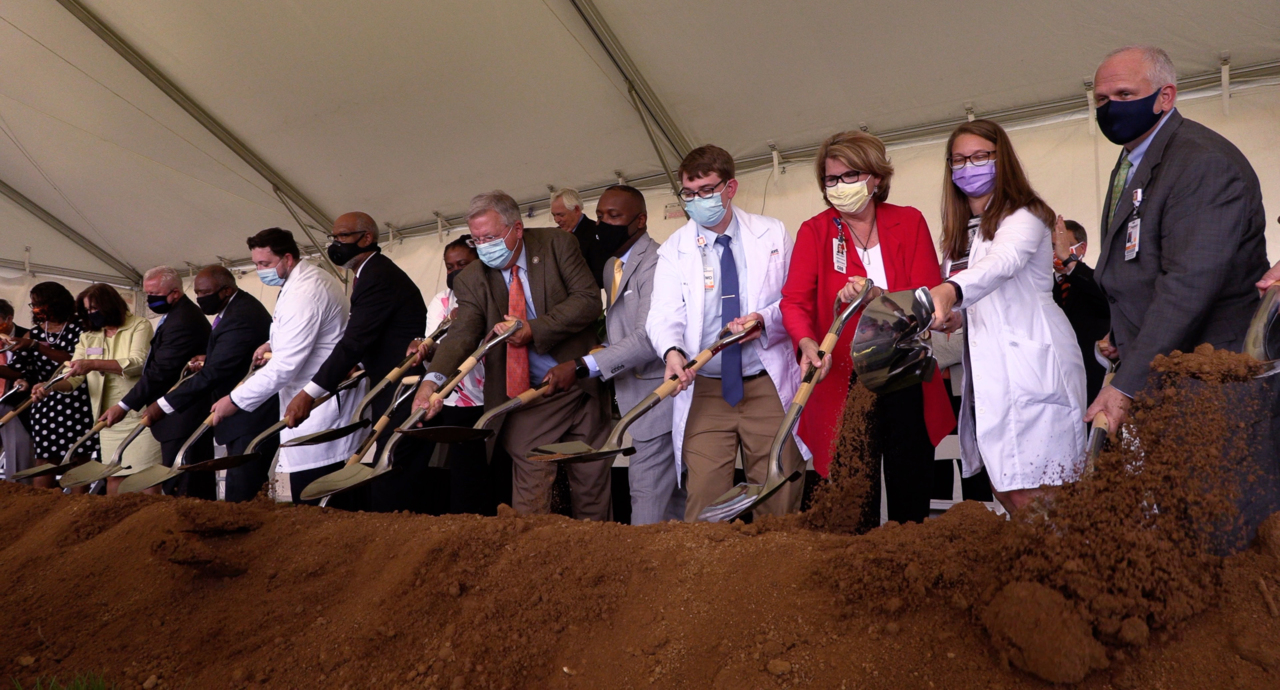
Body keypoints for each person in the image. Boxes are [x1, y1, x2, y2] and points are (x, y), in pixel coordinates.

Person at [1086, 45, 1268, 428]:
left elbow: (1188, 285)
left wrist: (1126, 384)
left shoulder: (1203, 162)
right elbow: (1134, 263)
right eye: (1102, 98)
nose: (1110, 108)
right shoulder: (1134, 157)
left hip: (1211, 378)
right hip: (1162, 373)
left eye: (1124, 95)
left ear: (1164, 97)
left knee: (1214, 488)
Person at [780, 130, 955, 524]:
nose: (839, 186)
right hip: (841, 376)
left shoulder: (908, 222)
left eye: (850, 175)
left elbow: (926, 299)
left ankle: (906, 569)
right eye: (830, 179)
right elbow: (794, 301)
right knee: (849, 500)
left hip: (904, 372)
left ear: (876, 177)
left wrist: (876, 294)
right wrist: (806, 343)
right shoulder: (816, 230)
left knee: (910, 492)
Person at [412, 191, 612, 520]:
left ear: (516, 229)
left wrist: (534, 328)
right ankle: (531, 561)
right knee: (531, 496)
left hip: (577, 383)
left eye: (490, 237)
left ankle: (594, 562)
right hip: (525, 397)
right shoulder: (472, 279)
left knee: (590, 486)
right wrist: (432, 381)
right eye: (477, 240)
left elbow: (588, 301)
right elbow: (462, 333)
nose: (483, 246)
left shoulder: (556, 245)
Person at [927, 119, 1087, 513]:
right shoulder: (962, 230)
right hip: (990, 370)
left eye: (981, 156)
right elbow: (991, 294)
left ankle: (1067, 569)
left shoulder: (1027, 213)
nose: (969, 166)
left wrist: (951, 291)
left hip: (1032, 357)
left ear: (1003, 160)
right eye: (960, 160)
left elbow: (1004, 263)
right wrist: (959, 316)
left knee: (1043, 487)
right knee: (1007, 484)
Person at [648, 144, 808, 521]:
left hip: (765, 381)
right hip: (705, 387)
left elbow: (794, 299)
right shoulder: (674, 250)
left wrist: (764, 319)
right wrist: (672, 353)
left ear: (730, 188)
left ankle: (777, 574)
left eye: (706, 190)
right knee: (705, 499)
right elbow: (663, 313)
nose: (697, 200)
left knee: (779, 490)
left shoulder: (772, 234)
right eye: (689, 193)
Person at [545, 185, 685, 524]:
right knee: (669, 508)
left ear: (640, 220)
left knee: (647, 507)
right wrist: (602, 349)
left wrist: (582, 366)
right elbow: (622, 330)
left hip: (659, 400)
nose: (604, 224)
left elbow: (650, 338)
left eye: (614, 216)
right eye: (600, 216)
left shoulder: (658, 263)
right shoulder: (612, 266)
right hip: (633, 398)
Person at [286, 212, 428, 512]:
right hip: (388, 385)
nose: (336, 244)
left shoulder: (377, 276)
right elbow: (370, 337)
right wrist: (361, 363)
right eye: (334, 238)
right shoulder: (367, 273)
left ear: (366, 238)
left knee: (392, 472)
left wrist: (308, 394)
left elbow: (353, 342)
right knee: (389, 469)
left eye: (343, 237)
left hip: (402, 389)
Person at [211, 228, 365, 506]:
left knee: (318, 496)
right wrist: (271, 343)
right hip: (303, 399)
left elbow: (285, 366)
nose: (260, 271)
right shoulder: (298, 282)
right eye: (256, 264)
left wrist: (234, 400)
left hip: (322, 404)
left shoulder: (306, 291)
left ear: (288, 258)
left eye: (265, 264)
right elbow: (298, 332)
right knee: (299, 486)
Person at [154, 266, 276, 502]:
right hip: (240, 413)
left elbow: (215, 373)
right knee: (239, 486)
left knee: (242, 491)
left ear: (226, 290)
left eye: (205, 292)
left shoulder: (242, 315)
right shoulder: (235, 309)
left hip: (250, 415)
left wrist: (163, 405)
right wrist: (211, 357)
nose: (200, 298)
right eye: (197, 293)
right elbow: (236, 354)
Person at [34, 284, 159, 495]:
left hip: (139, 412)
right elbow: (73, 378)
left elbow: (137, 363)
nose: (92, 314)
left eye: (95, 308)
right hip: (107, 418)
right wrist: (50, 386)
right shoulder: (88, 337)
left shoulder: (139, 325)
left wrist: (93, 364)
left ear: (111, 304)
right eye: (88, 310)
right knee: (113, 477)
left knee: (146, 477)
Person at [106, 266, 214, 498]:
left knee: (186, 482)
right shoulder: (174, 314)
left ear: (175, 293)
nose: (150, 299)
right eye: (147, 294)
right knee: (179, 480)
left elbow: (161, 372)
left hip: (184, 413)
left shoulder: (183, 320)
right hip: (175, 413)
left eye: (154, 294)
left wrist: (123, 405)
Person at [416, 235, 491, 514]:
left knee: (495, 467)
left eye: (463, 264)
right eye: (449, 267)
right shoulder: (442, 300)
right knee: (465, 470)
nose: (455, 272)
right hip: (457, 399)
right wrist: (426, 345)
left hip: (495, 393)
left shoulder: (494, 292)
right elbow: (437, 348)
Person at [1050, 217, 1111, 405]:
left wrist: (1069, 262)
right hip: (1055, 379)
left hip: (1091, 378)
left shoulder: (1097, 280)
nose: (1057, 252)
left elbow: (1105, 301)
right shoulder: (1042, 288)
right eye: (1053, 246)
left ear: (1081, 249)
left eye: (1064, 245)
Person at [0, 299, 34, 480]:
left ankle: (19, 498)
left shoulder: (26, 337)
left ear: (9, 319)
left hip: (15, 404)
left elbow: (22, 371)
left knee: (17, 460)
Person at [550, 188, 606, 288]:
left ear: (576, 209)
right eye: (553, 215)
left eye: (560, 215)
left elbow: (602, 275)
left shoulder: (596, 232)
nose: (556, 220)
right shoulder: (554, 236)